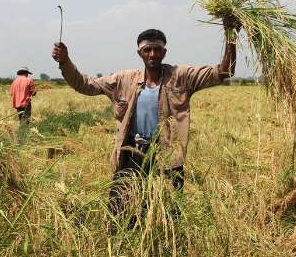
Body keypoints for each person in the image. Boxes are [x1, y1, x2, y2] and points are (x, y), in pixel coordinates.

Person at [51, 20, 239, 221]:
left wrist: (231, 36)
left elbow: (225, 71)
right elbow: (84, 85)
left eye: (157, 49)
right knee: (121, 209)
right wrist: (65, 62)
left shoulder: (182, 76)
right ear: (139, 53)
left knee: (168, 211)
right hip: (131, 151)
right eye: (147, 49)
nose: (152, 54)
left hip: (167, 153)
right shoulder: (124, 79)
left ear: (164, 52)